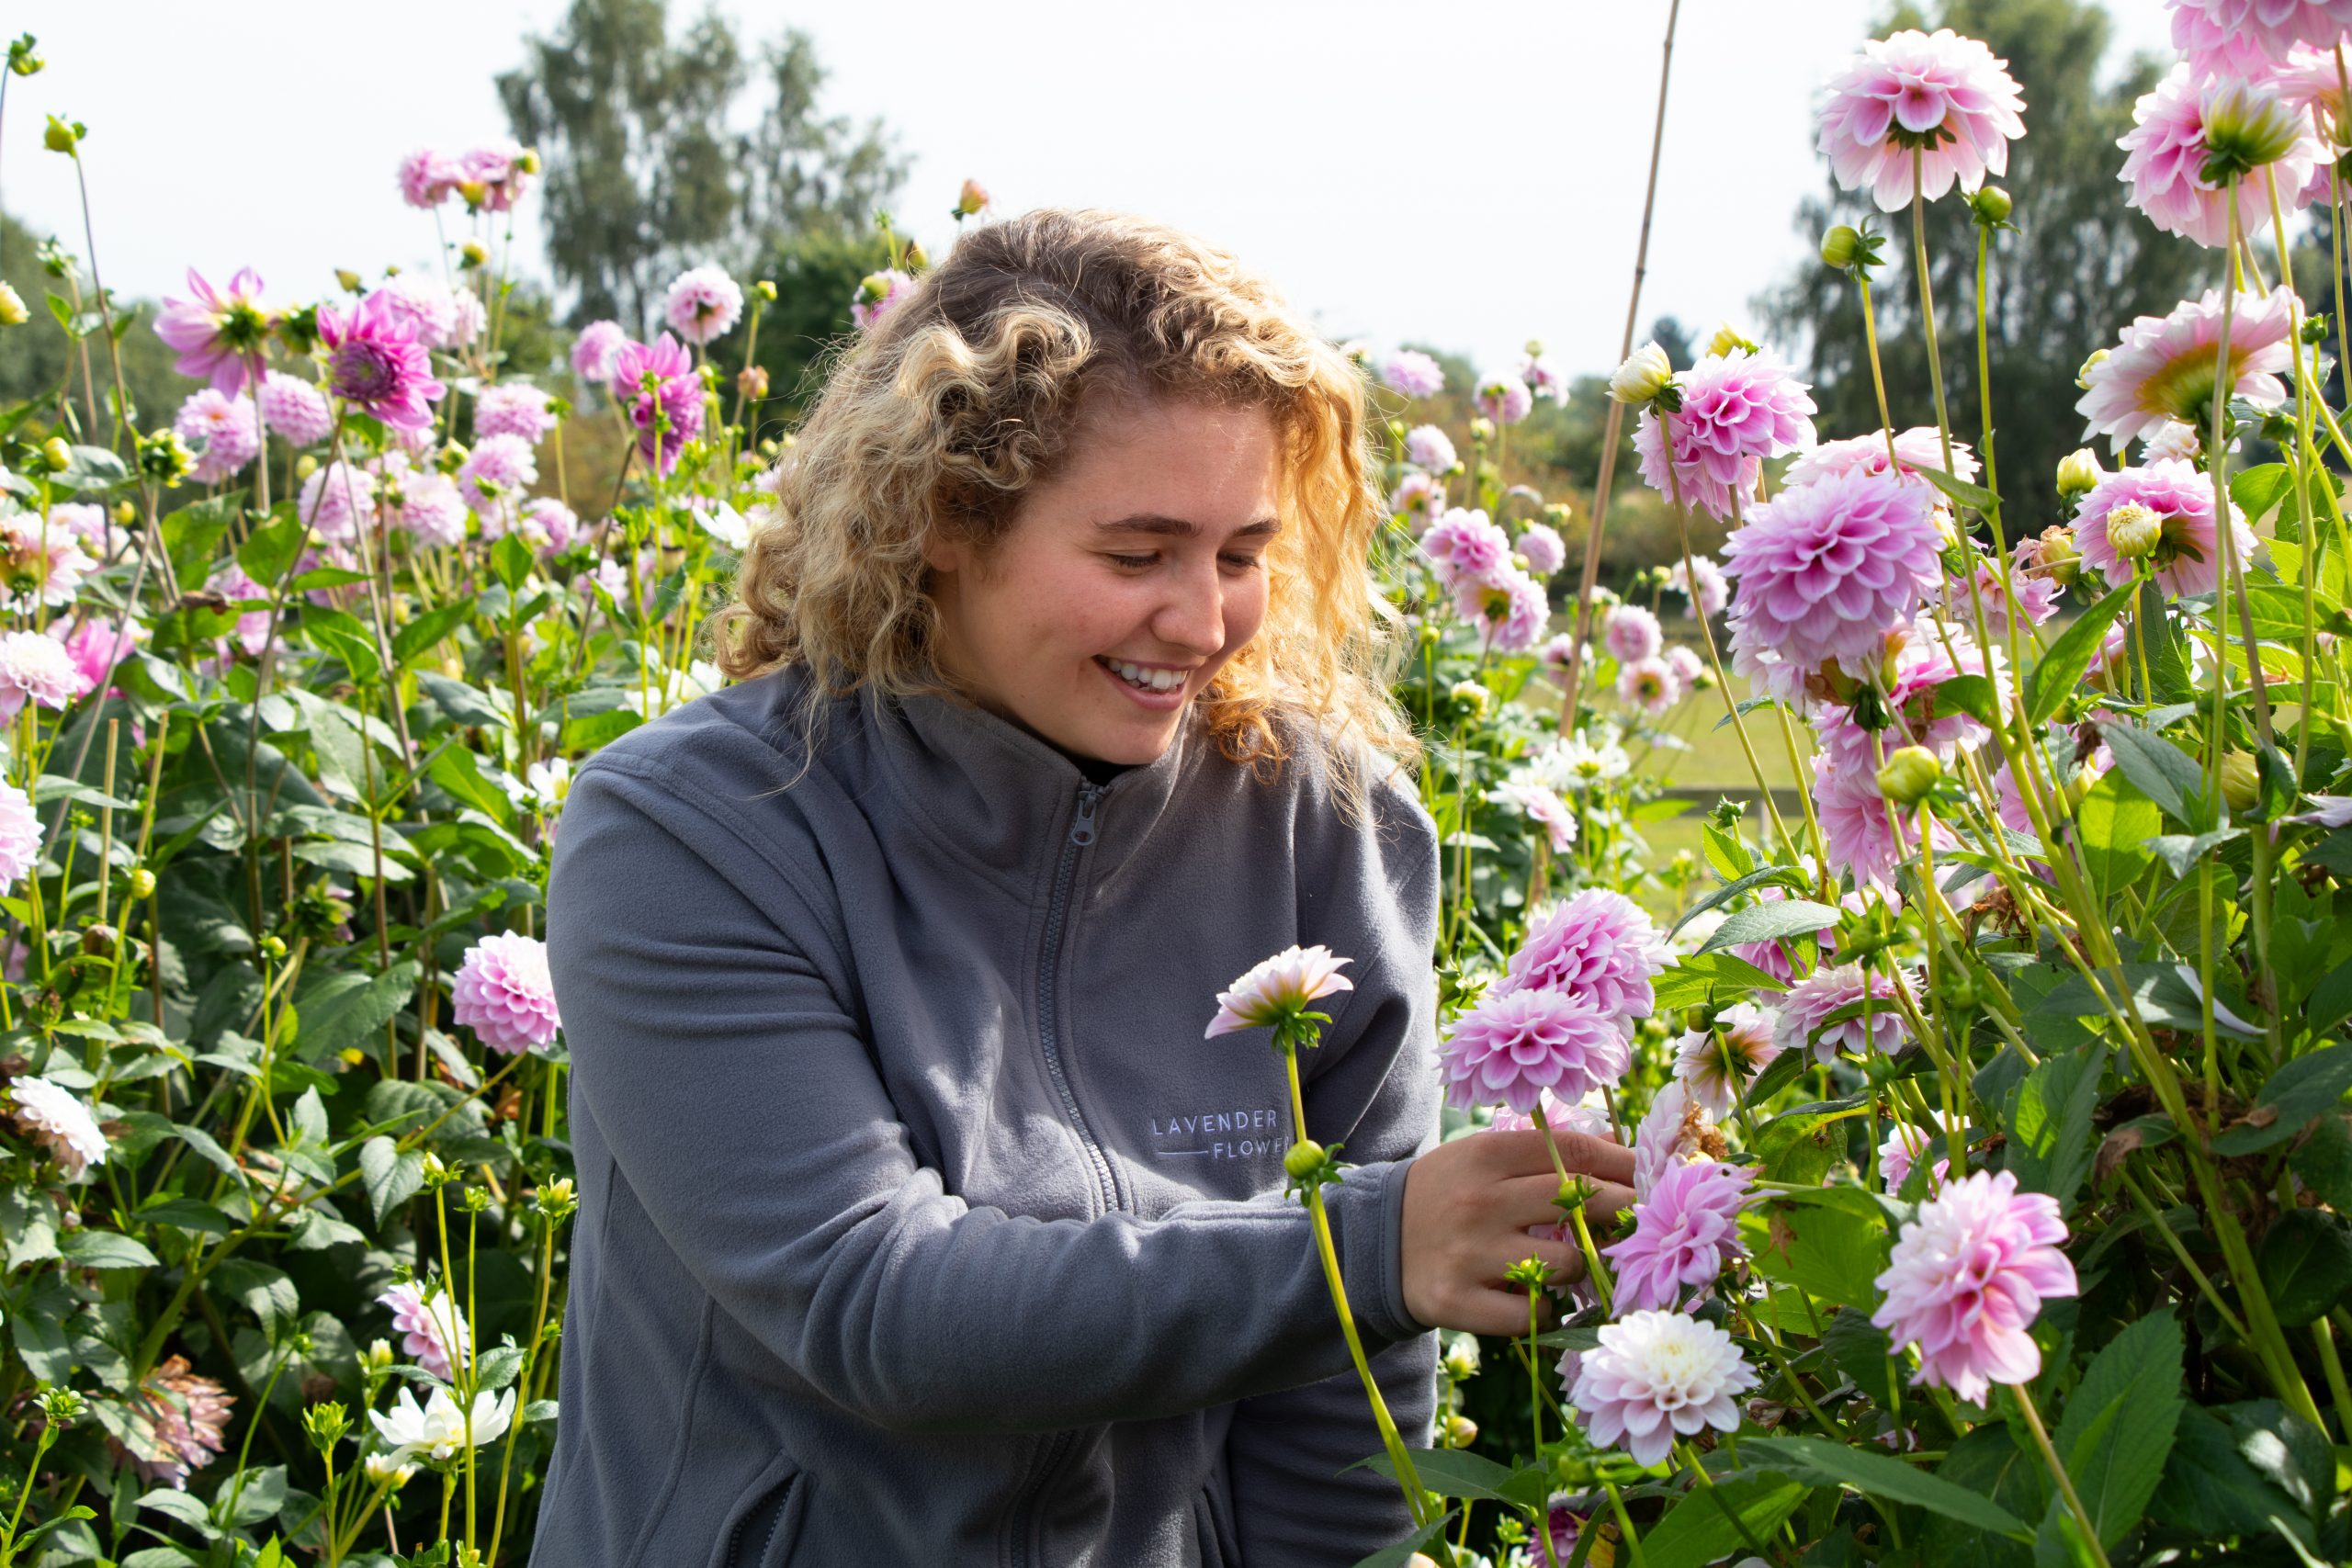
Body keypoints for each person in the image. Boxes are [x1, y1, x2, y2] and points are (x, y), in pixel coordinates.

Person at [532, 209, 1636, 1568]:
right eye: (1136, 555)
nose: (1203, 620)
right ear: (942, 517)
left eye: (1241, 554)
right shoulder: (694, 831)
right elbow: (874, 1303)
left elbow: (1339, 1409)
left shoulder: (1321, 828)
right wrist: (1364, 1253)